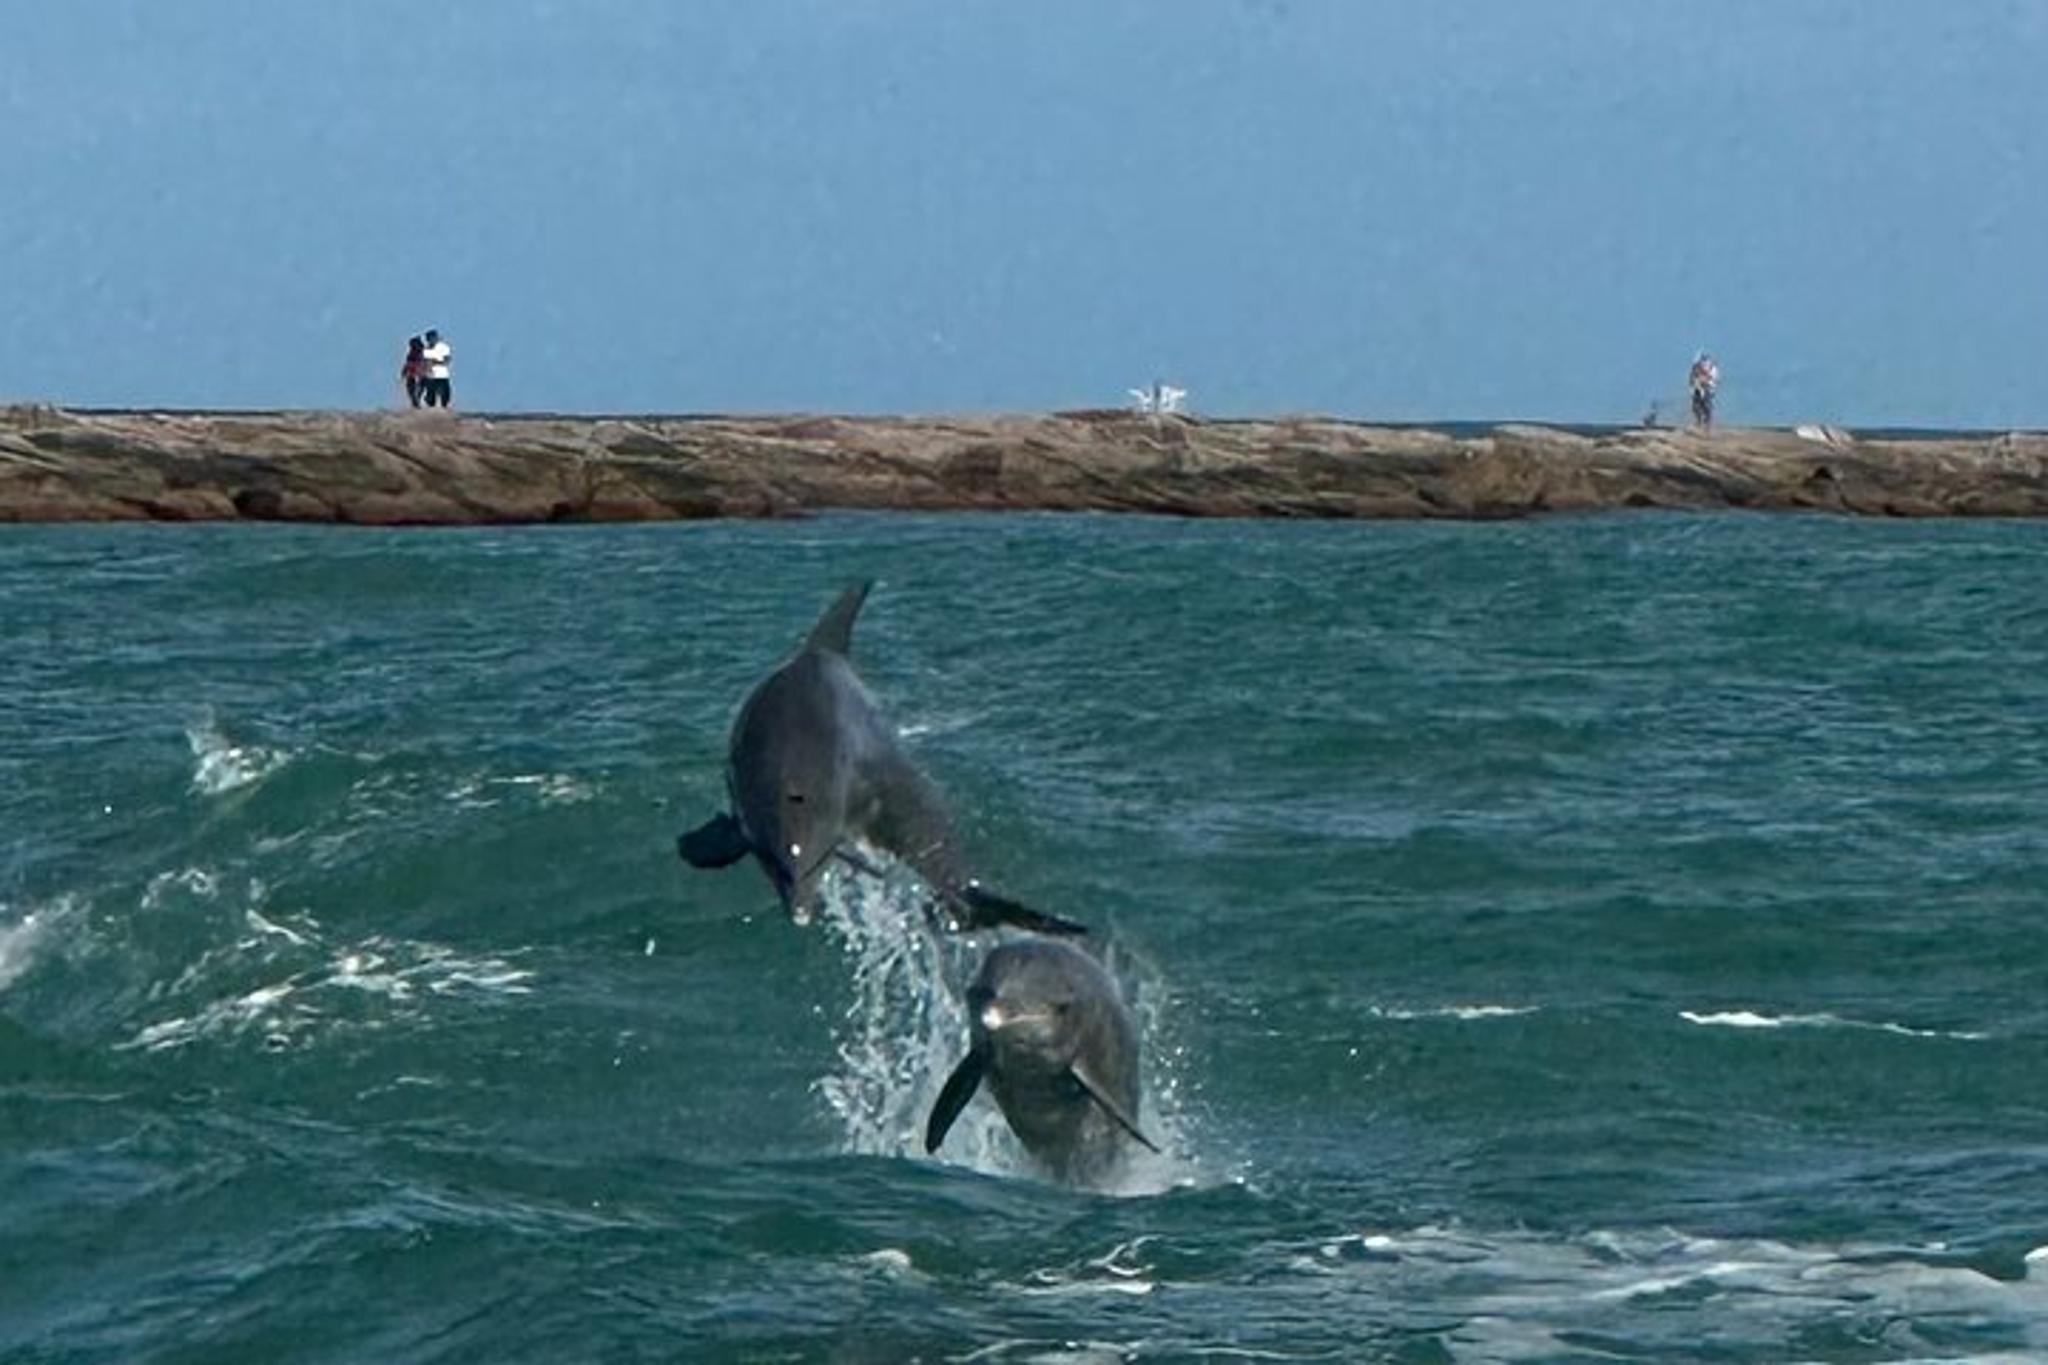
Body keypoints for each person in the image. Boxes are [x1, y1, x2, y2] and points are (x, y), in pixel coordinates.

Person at [420, 329, 453, 409]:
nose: (431, 340)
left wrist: (435, 362)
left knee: (445, 396)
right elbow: (424, 362)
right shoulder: (426, 350)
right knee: (431, 398)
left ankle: (443, 410)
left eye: (433, 338)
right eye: (429, 339)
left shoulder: (444, 347)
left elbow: (447, 360)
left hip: (442, 376)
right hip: (430, 377)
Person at [1688, 351, 1720, 430]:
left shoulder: (1713, 369)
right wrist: (1694, 382)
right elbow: (1692, 379)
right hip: (1698, 388)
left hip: (1709, 388)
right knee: (1695, 406)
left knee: (1706, 405)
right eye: (1702, 363)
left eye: (1705, 363)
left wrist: (1706, 378)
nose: (1703, 365)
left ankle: (1708, 423)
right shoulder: (1696, 367)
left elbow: (1714, 379)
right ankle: (1699, 421)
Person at [399, 335, 427, 408]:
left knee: (417, 392)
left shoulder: (423, 353)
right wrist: (404, 373)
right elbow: (408, 364)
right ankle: (416, 404)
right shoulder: (411, 354)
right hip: (413, 376)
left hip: (421, 376)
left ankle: (417, 403)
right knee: (412, 392)